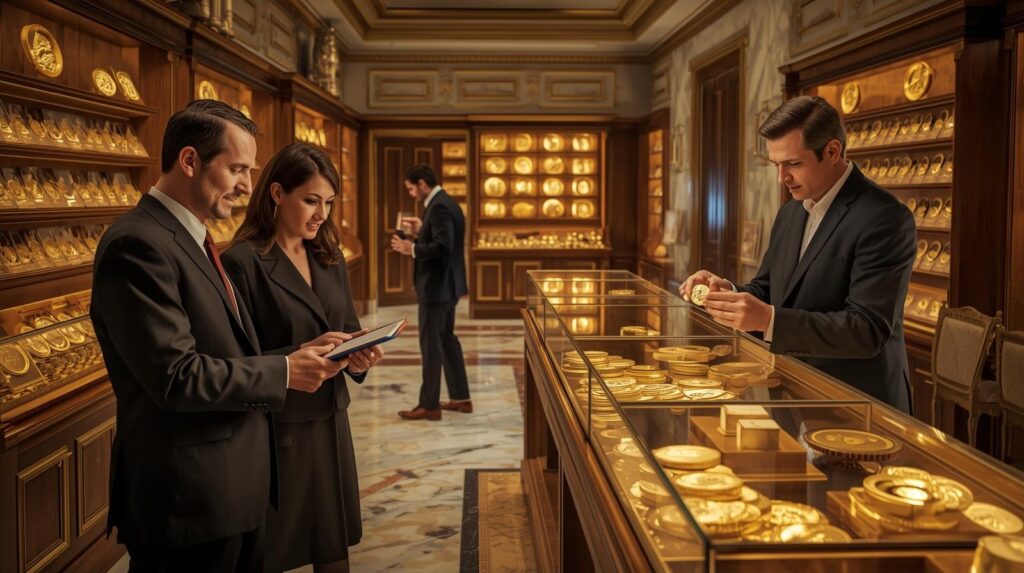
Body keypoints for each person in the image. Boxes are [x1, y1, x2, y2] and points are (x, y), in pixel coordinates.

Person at [90, 100, 346, 573]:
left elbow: (223, 350)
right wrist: (287, 370)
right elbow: (176, 376)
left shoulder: (190, 237)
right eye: (237, 169)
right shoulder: (138, 244)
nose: (248, 186)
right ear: (190, 161)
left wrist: (299, 353)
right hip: (190, 501)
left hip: (229, 492)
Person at [679, 95, 916, 412]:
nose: (782, 178)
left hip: (859, 404)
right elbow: (768, 288)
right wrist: (727, 292)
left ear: (832, 151)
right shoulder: (790, 213)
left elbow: (867, 330)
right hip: (793, 393)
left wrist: (767, 319)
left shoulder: (884, 217)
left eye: (793, 164)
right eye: (777, 165)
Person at [222, 143, 382, 573]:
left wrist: (357, 357)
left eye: (329, 203)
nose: (322, 214)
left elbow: (346, 327)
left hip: (330, 422)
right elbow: (236, 359)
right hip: (278, 429)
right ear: (277, 193)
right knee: (274, 550)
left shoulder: (329, 258)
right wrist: (298, 355)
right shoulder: (241, 263)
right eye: (311, 200)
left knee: (333, 549)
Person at [389, 164, 470, 420]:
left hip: (437, 288)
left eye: (412, 189)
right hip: (448, 286)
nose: (412, 194)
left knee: (431, 344)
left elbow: (443, 247)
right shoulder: (446, 203)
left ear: (423, 183)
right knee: (446, 339)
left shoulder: (440, 206)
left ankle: (430, 405)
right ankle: (461, 398)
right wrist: (421, 230)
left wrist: (410, 248)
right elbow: (443, 238)